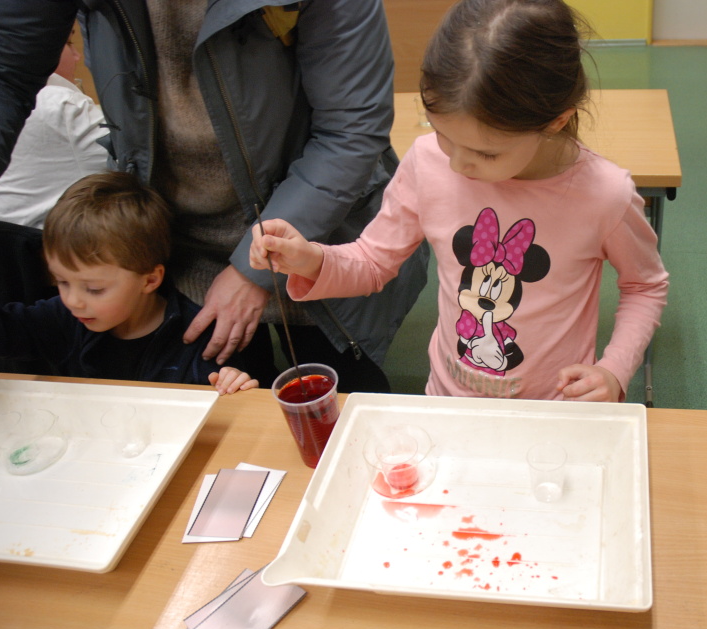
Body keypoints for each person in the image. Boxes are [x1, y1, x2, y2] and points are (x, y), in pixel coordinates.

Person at [0, 2, 429, 391]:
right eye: (63, 283)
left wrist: (252, 272)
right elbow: (6, 73)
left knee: (338, 383)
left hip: (313, 235)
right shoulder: (82, 314)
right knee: (238, 383)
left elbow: (350, 131)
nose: (73, 299)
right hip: (180, 245)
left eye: (89, 287)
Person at [250, 0, 669, 402]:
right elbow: (373, 261)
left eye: (486, 153)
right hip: (449, 398)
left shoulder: (604, 195)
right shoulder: (426, 161)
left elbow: (645, 287)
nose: (457, 164)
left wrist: (614, 368)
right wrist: (311, 259)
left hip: (554, 407)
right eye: (442, 135)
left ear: (556, 121)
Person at [0, 171, 258, 395]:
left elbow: (229, 408)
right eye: (61, 282)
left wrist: (232, 383)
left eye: (94, 289)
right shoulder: (63, 318)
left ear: (150, 280)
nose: (72, 300)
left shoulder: (200, 340)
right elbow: (5, 333)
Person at [0, 34, 108, 229]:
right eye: (68, 43)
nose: (77, 55)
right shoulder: (61, 104)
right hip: (50, 243)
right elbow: (136, 165)